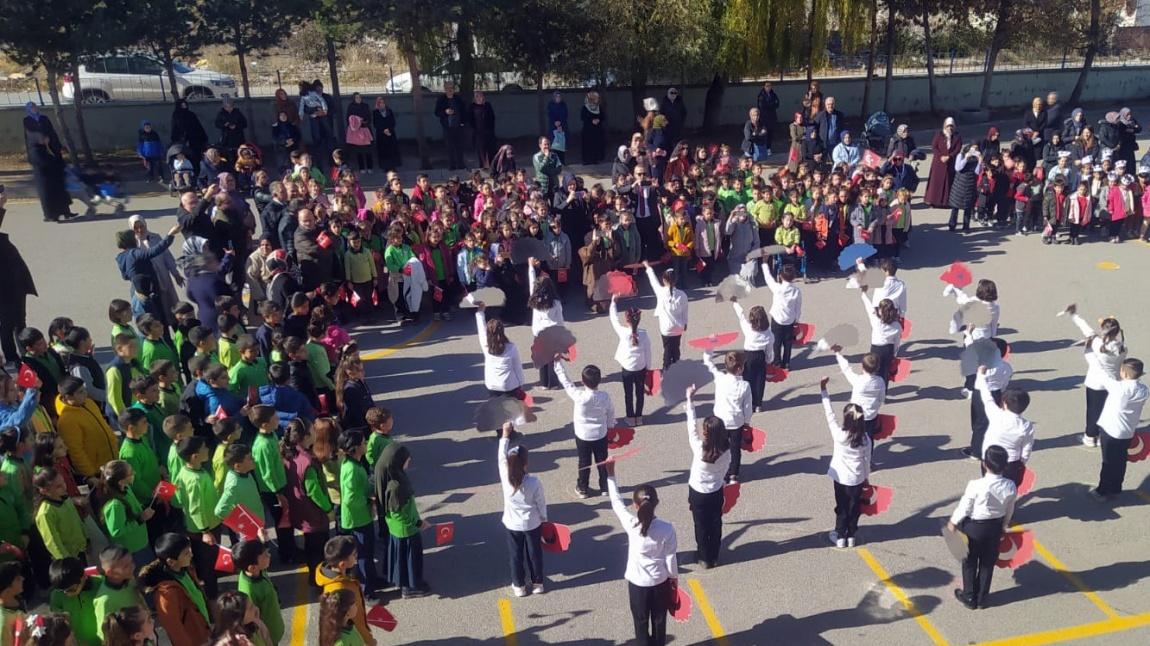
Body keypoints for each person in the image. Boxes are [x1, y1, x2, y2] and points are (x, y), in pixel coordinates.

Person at [605, 461, 677, 646]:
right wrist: (673, 580)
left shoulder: (631, 524)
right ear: (656, 504)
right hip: (660, 582)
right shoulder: (667, 528)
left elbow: (616, 503)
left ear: (635, 506)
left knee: (640, 622)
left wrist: (611, 474)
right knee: (659, 621)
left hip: (637, 584)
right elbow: (670, 559)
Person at [948, 444, 1016, 610]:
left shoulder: (975, 484)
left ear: (985, 464)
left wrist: (953, 522)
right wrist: (1004, 525)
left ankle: (969, 596)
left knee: (969, 562)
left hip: (974, 527)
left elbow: (965, 506)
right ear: (1005, 465)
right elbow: (1010, 509)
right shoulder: (1010, 486)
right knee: (987, 563)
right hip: (994, 528)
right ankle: (982, 597)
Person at [816, 375, 871, 548]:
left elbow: (829, 414)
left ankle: (840, 535)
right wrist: (866, 478)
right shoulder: (865, 439)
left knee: (841, 506)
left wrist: (824, 390)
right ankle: (852, 534)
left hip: (840, 477)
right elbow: (867, 460)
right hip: (857, 478)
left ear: (846, 420)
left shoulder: (840, 435)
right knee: (855, 507)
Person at [497, 422, 547, 597]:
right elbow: (540, 502)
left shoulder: (505, 475)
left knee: (516, 555)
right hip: (532, 523)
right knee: (534, 554)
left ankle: (518, 585)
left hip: (512, 524)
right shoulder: (534, 482)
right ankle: (538, 583)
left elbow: (500, 455)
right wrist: (544, 517)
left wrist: (504, 434)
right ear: (526, 463)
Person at [553, 356, 615, 499]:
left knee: (584, 461)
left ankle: (583, 488)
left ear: (582, 381)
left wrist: (557, 363)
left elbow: (566, 382)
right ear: (599, 381)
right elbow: (611, 411)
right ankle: (605, 487)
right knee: (602, 460)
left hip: (583, 435)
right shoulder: (604, 396)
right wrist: (611, 426)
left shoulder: (579, 396)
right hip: (600, 433)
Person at [139, 533, 211, 646]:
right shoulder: (166, 593)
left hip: (203, 630)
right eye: (186, 553)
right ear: (171, 562)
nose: (191, 555)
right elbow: (173, 627)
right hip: (193, 640)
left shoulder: (186, 569)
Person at [379, 442, 430, 598]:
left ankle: (402, 583)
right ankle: (410, 588)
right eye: (407, 460)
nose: (409, 462)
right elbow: (398, 513)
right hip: (406, 530)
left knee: (400, 560)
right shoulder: (396, 486)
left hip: (398, 529)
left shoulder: (393, 476)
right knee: (410, 561)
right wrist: (418, 523)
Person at [1093, 358, 1148, 499]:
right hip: (1127, 431)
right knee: (1120, 460)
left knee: (1108, 462)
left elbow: (1103, 374)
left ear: (1124, 372)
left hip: (1111, 431)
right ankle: (1116, 487)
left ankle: (1103, 490)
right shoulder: (1144, 390)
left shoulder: (1119, 388)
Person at [0, 194, 37, 367]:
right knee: (8, 323)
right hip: (4, 288)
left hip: (16, 284)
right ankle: (11, 356)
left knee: (20, 320)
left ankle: (24, 352)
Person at [609, 296, 651, 427]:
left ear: (626, 319)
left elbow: (614, 319)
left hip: (627, 368)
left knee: (628, 394)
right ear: (639, 320)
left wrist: (613, 303)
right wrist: (648, 368)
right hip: (640, 368)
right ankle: (639, 417)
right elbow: (648, 352)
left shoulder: (623, 332)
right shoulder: (644, 334)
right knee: (640, 393)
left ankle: (630, 418)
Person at [234, 540, 284, 645]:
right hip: (268, 634)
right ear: (252, 567)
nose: (269, 555)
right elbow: (253, 620)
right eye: (265, 555)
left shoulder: (257, 571)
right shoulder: (248, 591)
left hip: (274, 624)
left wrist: (263, 541)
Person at [474, 303, 526, 397]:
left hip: (492, 385)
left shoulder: (486, 345)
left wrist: (480, 312)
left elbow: (481, 329)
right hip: (509, 386)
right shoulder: (511, 347)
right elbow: (517, 367)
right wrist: (521, 383)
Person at [644, 262, 687, 370]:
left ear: (663, 280)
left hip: (666, 328)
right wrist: (685, 323)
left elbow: (653, 281)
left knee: (667, 349)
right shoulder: (682, 295)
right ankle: (677, 366)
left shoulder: (661, 292)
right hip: (679, 327)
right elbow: (685, 311)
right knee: (676, 347)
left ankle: (666, 368)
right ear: (676, 280)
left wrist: (648, 268)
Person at [761, 261, 801, 369]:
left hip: (777, 319)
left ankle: (777, 361)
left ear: (780, 276)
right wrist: (796, 320)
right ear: (793, 277)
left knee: (776, 342)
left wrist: (764, 263)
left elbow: (768, 279)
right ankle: (786, 363)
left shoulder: (777, 288)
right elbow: (798, 307)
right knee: (788, 343)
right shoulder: (797, 291)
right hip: (790, 320)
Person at [28, 133, 74, 223]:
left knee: (60, 195)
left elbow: (55, 158)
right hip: (45, 178)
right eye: (44, 139)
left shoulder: (47, 148)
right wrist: (54, 162)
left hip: (54, 176)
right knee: (49, 198)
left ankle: (65, 212)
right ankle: (51, 215)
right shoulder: (35, 150)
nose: (46, 140)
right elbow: (43, 162)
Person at [926, 117, 962, 208]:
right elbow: (934, 147)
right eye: (948, 126)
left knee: (948, 182)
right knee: (936, 183)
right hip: (938, 163)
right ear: (945, 126)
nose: (950, 128)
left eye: (952, 126)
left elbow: (958, 149)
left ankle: (945, 202)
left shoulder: (957, 136)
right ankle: (933, 201)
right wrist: (940, 156)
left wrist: (949, 156)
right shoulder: (939, 135)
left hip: (950, 163)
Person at [948, 145, 982, 232]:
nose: (974, 151)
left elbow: (977, 172)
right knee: (955, 206)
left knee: (968, 207)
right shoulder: (961, 155)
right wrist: (966, 158)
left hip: (970, 184)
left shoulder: (977, 157)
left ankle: (966, 227)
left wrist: (979, 162)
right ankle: (952, 225)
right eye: (973, 149)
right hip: (959, 184)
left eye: (976, 149)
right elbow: (958, 168)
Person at [435, 82, 467, 170]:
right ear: (445, 89)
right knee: (450, 147)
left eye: (451, 88)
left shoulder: (458, 99)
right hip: (447, 127)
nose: (450, 90)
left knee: (459, 146)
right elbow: (437, 113)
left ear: (454, 89)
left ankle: (461, 164)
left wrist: (462, 123)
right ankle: (452, 165)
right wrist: (445, 112)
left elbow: (463, 111)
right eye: (448, 88)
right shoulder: (441, 99)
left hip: (458, 126)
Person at [170, 99, 208, 171]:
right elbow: (175, 128)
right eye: (182, 105)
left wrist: (203, 137)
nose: (184, 107)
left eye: (185, 105)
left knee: (196, 156)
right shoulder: (176, 115)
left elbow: (198, 126)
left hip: (195, 139)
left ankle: (197, 172)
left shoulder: (191, 114)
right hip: (183, 140)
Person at [371, 97, 402, 172]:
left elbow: (393, 121)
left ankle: (393, 165)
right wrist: (383, 130)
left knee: (392, 150)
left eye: (383, 103)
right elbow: (375, 123)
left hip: (390, 133)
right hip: (381, 134)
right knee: (383, 151)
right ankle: (385, 166)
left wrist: (389, 129)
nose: (382, 104)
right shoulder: (375, 112)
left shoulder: (389, 111)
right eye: (380, 103)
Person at [214, 96, 247, 162]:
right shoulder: (221, 114)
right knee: (228, 155)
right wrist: (224, 125)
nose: (229, 109)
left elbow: (245, 123)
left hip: (238, 137)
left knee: (239, 153)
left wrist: (236, 126)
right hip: (227, 138)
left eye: (230, 107)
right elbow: (217, 124)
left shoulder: (237, 113)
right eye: (226, 107)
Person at [470, 91, 497, 170]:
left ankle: (493, 167)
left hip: (489, 132)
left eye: (480, 96)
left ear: (483, 97)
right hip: (478, 133)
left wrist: (490, 129)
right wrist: (475, 129)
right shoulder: (472, 107)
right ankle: (483, 168)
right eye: (477, 96)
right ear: (474, 98)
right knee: (481, 152)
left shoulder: (487, 105)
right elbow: (470, 119)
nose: (479, 98)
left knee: (491, 150)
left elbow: (492, 117)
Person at [581, 91, 607, 164]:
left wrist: (598, 120)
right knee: (587, 144)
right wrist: (591, 121)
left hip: (597, 130)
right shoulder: (585, 107)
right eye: (594, 98)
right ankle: (586, 160)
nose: (596, 99)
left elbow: (603, 117)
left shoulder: (599, 107)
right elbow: (583, 117)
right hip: (588, 130)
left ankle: (595, 159)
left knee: (596, 144)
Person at [755, 82, 780, 154]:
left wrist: (771, 105)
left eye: (770, 86)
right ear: (764, 87)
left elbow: (777, 103)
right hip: (764, 117)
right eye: (767, 86)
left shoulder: (773, 94)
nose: (768, 87)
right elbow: (762, 106)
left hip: (772, 117)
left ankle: (769, 148)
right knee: (764, 133)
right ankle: (763, 148)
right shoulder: (761, 95)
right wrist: (771, 105)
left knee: (770, 133)